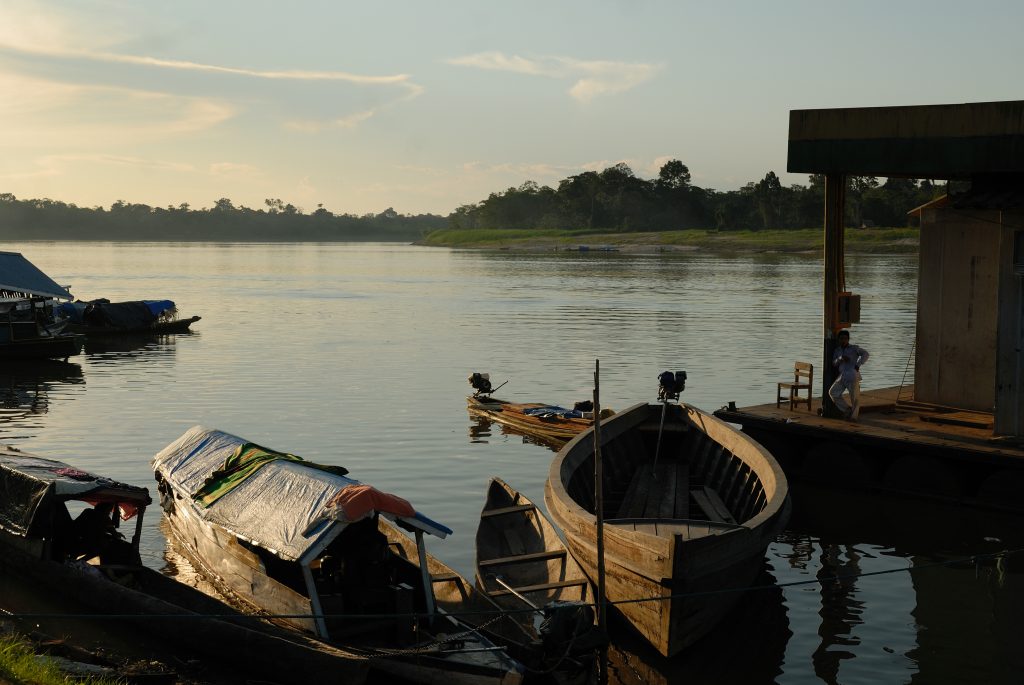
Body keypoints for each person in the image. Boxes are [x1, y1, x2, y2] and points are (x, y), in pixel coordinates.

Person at [830, 329, 869, 420]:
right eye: (841, 338)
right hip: (842, 375)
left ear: (848, 339)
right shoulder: (837, 350)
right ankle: (847, 409)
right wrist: (840, 358)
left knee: (854, 398)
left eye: (845, 338)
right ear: (838, 339)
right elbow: (834, 363)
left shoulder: (854, 348)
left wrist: (858, 364)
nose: (843, 340)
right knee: (832, 392)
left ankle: (853, 418)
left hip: (852, 375)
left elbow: (866, 354)